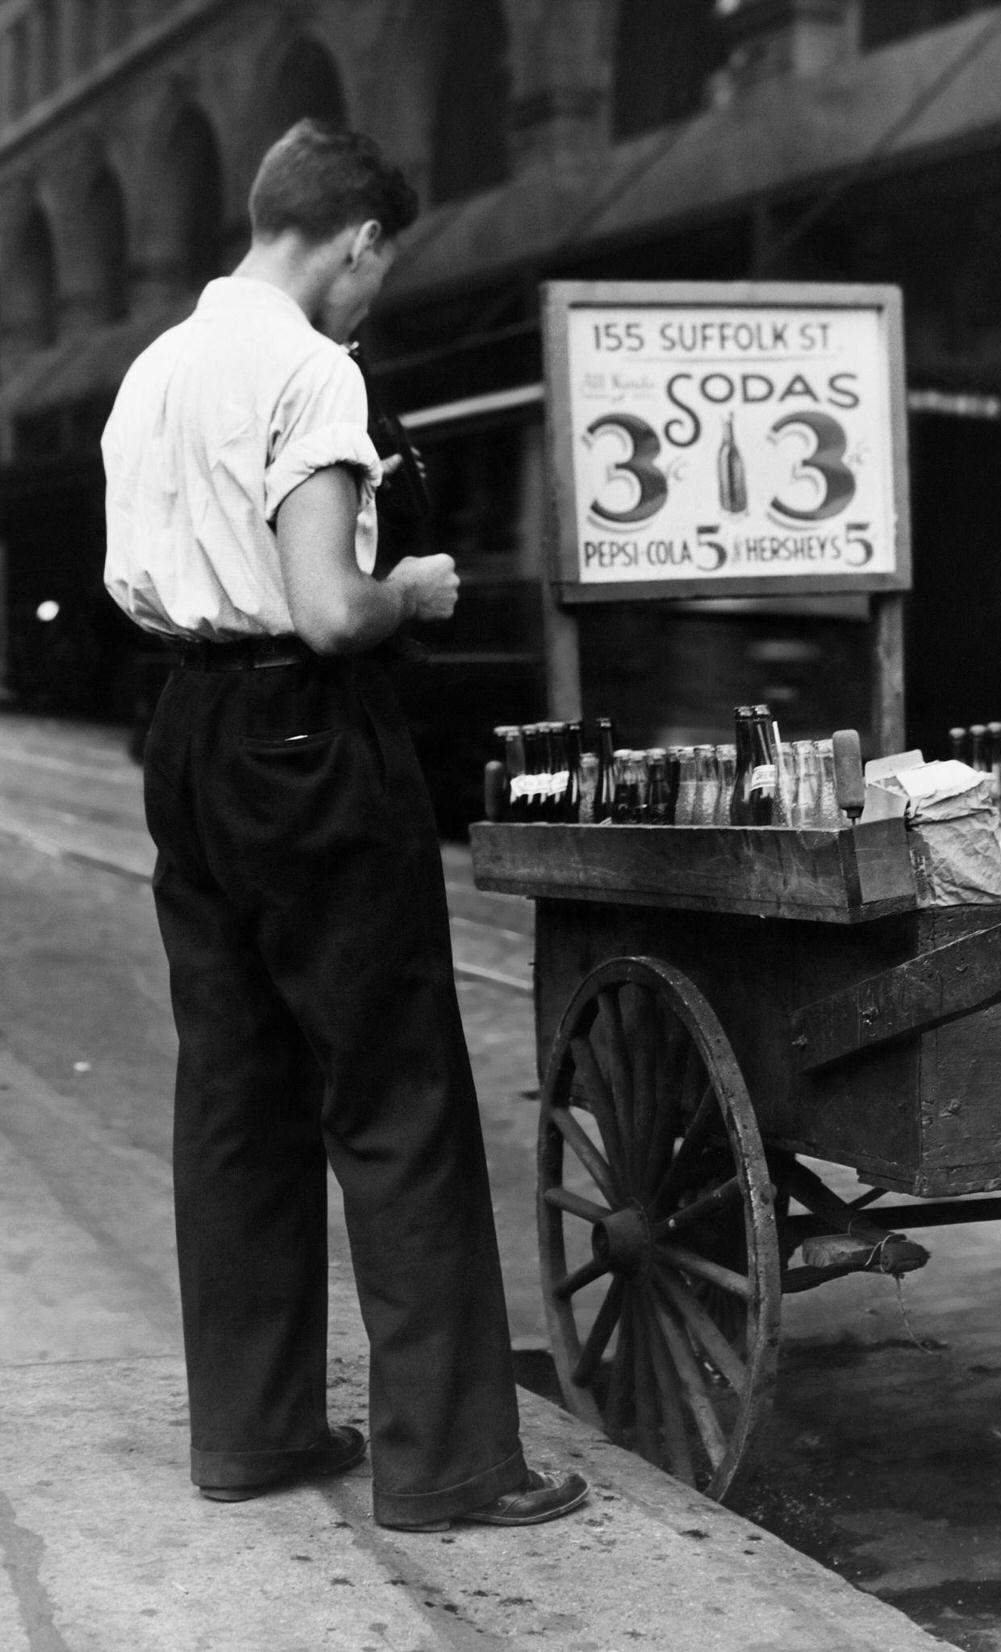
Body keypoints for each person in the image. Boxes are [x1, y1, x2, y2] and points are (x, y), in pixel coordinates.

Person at [101, 119, 587, 1532]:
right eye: (386, 264)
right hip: (308, 731)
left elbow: (144, 576)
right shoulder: (311, 370)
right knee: (396, 1091)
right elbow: (325, 606)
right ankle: (448, 1464)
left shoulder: (153, 371)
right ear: (359, 241)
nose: (378, 290)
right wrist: (413, 592)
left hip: (187, 735)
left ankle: (251, 1434)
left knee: (237, 1088)